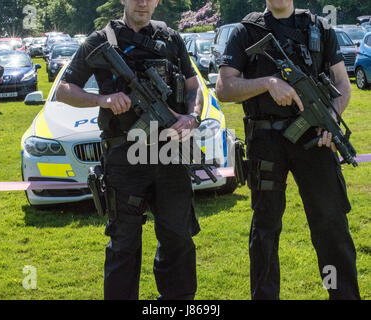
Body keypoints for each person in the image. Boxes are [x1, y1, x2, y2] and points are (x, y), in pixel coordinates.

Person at [56, 0, 204, 300]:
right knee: (124, 243)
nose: (142, 2)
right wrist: (103, 101)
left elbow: (193, 86)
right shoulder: (100, 41)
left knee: (178, 237)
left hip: (171, 154)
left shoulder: (171, 39)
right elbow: (64, 90)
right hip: (124, 156)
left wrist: (193, 116)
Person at [216, 0, 360, 300]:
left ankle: (342, 294)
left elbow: (342, 84)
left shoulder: (319, 28)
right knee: (265, 229)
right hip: (266, 141)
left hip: (314, 139)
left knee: (331, 224)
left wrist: (330, 119)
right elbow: (225, 88)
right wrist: (269, 83)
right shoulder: (246, 31)